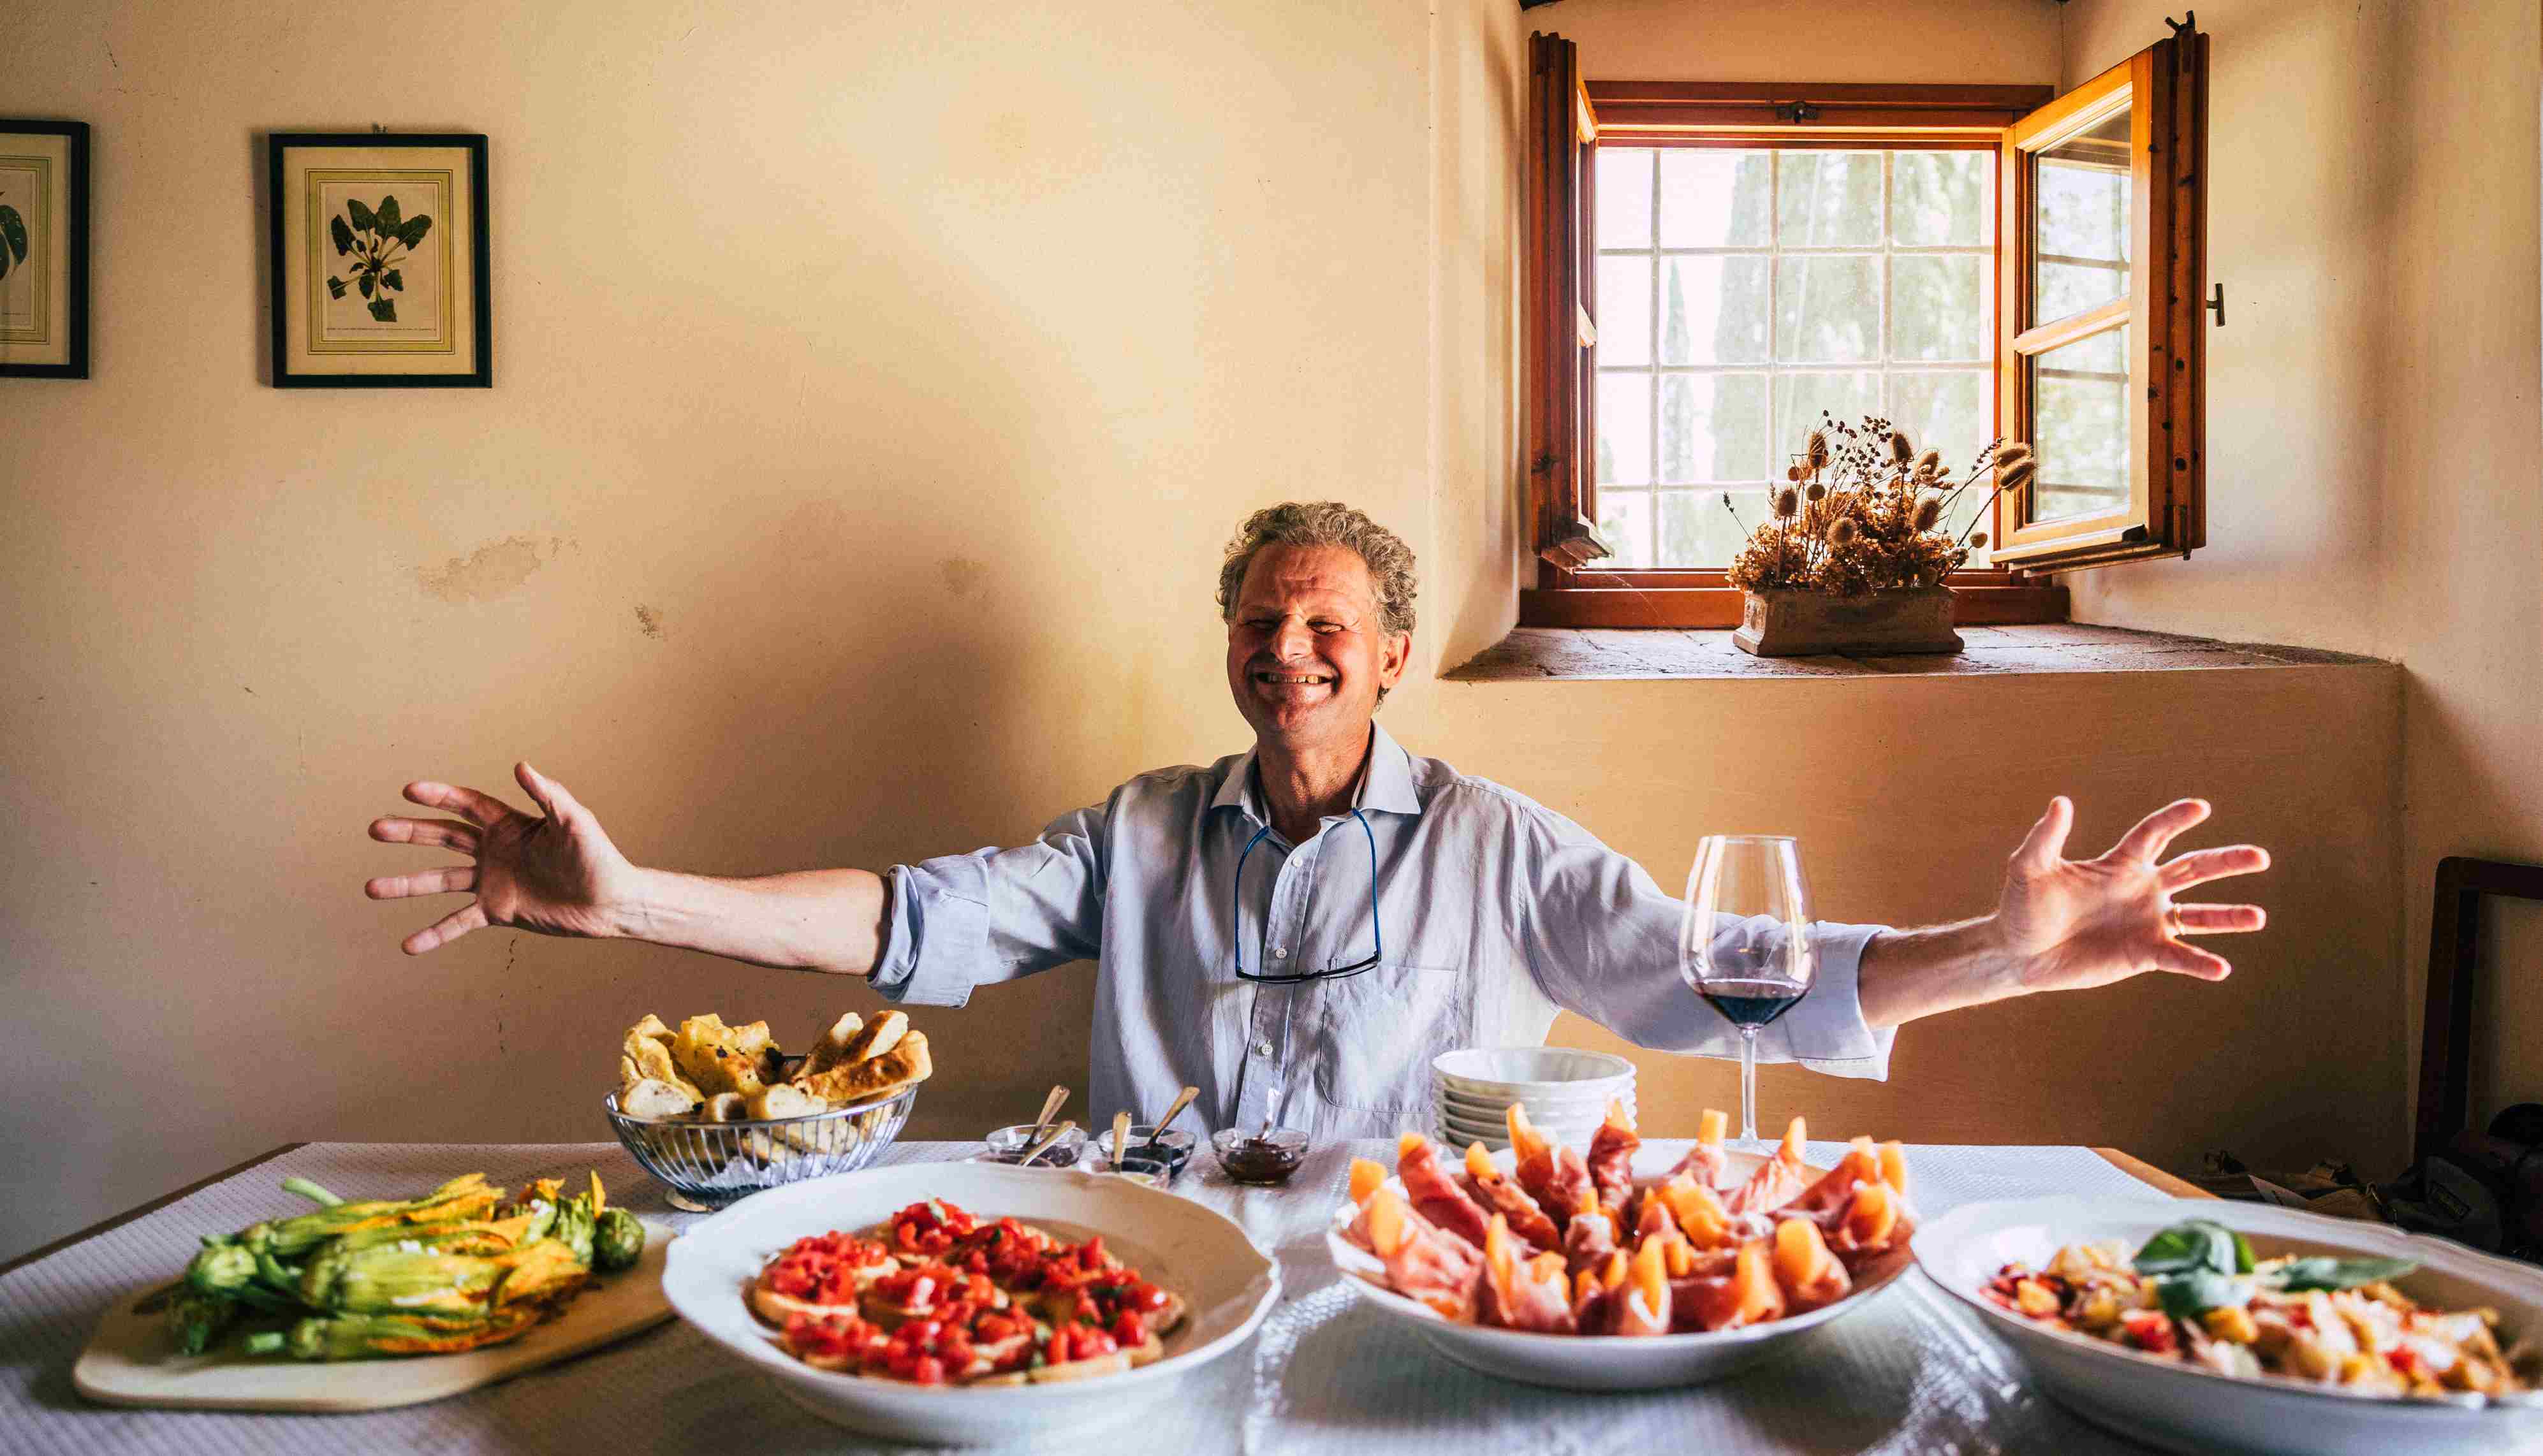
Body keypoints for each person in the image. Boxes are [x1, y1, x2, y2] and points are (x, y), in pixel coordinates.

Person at [367, 502, 2269, 1139]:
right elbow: (906, 924)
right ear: (1228, 648)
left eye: (1330, 627)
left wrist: (2004, 955)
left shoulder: (1493, 834)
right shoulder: (1133, 830)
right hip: (1151, 1283)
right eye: (1265, 624)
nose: (1293, 652)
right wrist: (635, 905)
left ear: (1388, 657)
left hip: (1411, 1286)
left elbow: (1724, 983)